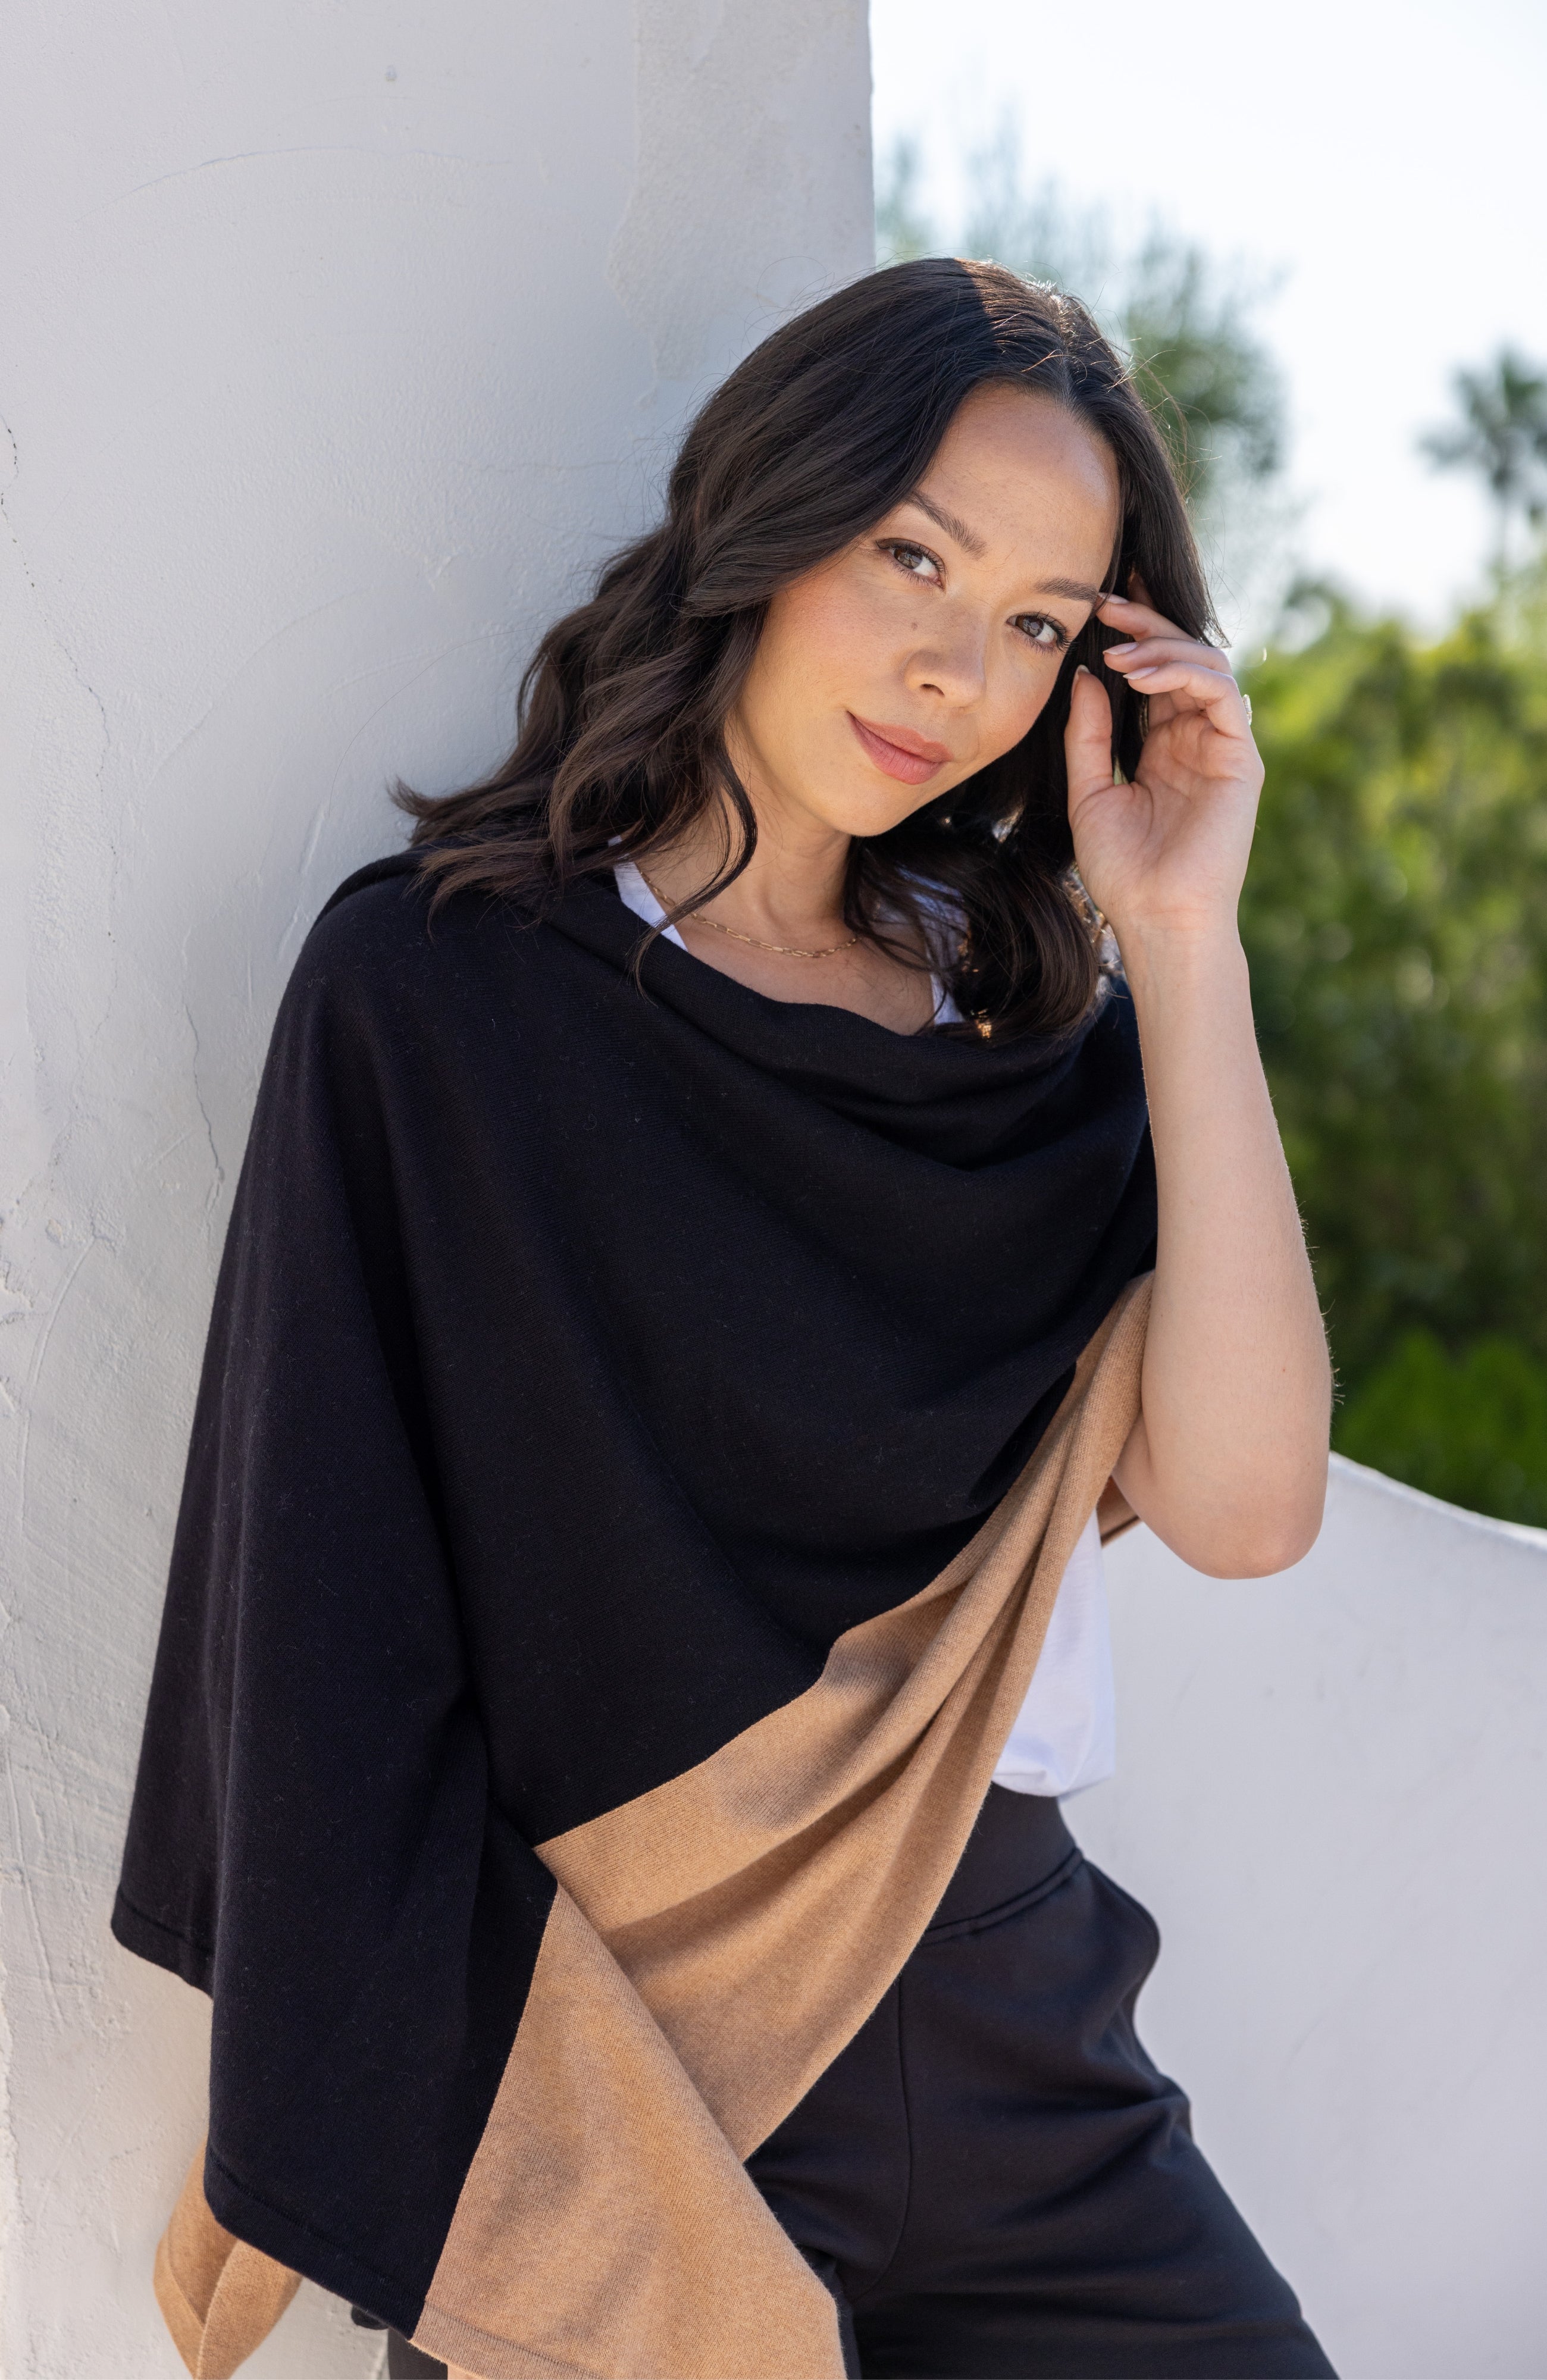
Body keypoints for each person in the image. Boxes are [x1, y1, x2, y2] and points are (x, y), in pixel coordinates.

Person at [113, 258, 1335, 2380]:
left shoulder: (1032, 1037)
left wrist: (1183, 938)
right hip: (640, 2069)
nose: (959, 669)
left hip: (1026, 2024)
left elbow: (1242, 1506)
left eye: (1042, 625)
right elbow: (326, 1606)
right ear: (777, 519)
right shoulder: (446, 997)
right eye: (915, 560)